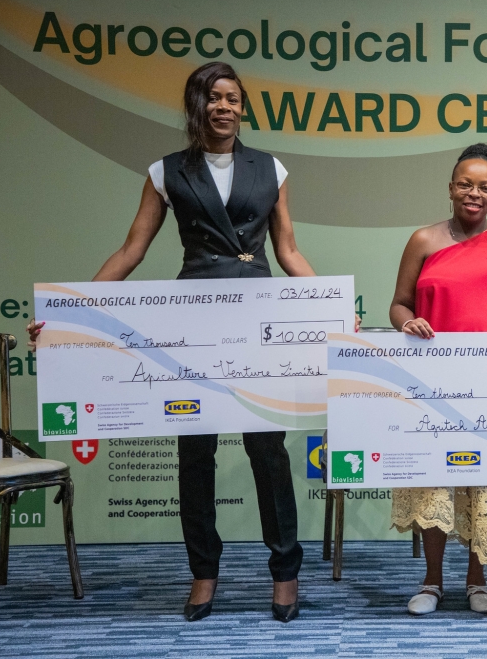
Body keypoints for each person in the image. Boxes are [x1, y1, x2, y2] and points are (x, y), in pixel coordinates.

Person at [29, 62, 314, 623]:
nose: (224, 107)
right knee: (195, 454)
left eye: (232, 97)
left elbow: (289, 252)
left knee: (269, 454)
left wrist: (329, 314)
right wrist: (69, 315)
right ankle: (204, 572)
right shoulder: (165, 172)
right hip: (192, 325)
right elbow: (131, 250)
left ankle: (285, 574)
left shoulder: (271, 168)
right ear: (197, 106)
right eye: (213, 98)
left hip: (258, 322)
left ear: (242, 106)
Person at [388, 143, 487, 616]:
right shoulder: (423, 239)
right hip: (434, 384)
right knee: (436, 479)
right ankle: (432, 581)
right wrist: (405, 323)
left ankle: (477, 579)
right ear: (450, 186)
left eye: (485, 187)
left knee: (485, 476)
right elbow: (398, 303)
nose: (474, 193)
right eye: (465, 184)